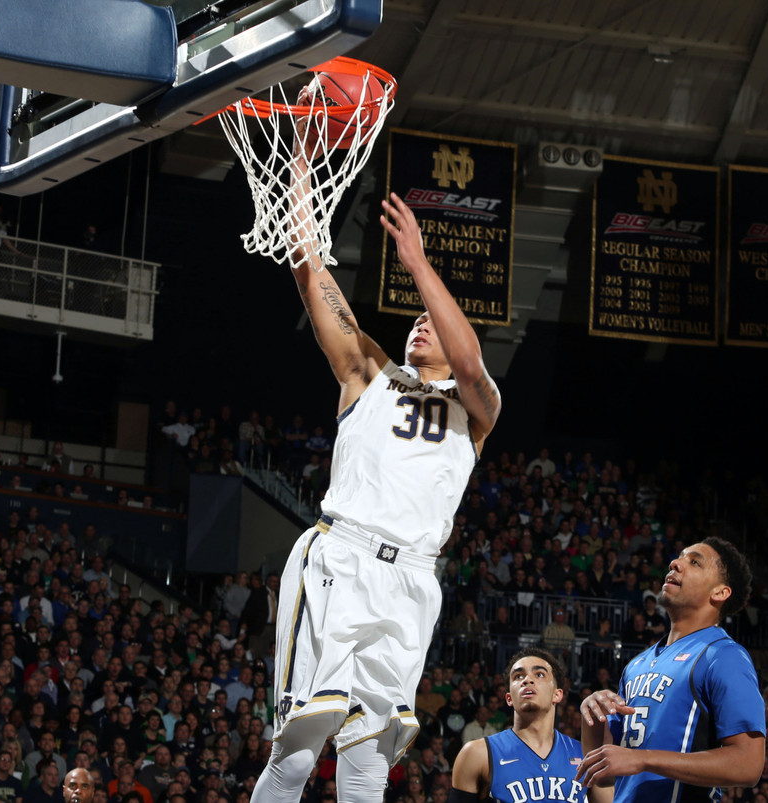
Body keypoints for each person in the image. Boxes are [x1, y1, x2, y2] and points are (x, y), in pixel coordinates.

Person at [250, 129, 501, 803]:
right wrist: (299, 176)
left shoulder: (476, 407)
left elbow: (471, 362)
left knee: (369, 759)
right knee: (300, 748)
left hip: (413, 580)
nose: (422, 322)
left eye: (434, 320)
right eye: (415, 316)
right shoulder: (368, 372)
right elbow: (312, 271)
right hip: (343, 560)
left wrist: (419, 263)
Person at [577, 537, 766, 802]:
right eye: (679, 557)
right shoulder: (636, 665)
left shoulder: (723, 656)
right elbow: (605, 773)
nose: (675, 563)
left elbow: (748, 765)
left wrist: (644, 760)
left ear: (720, 593)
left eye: (695, 562)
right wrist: (593, 717)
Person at [451, 648, 605, 803]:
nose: (527, 680)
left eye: (539, 674)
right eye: (518, 676)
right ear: (509, 698)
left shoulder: (586, 755)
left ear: (557, 694)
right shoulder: (477, 754)